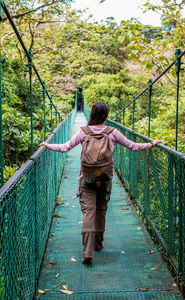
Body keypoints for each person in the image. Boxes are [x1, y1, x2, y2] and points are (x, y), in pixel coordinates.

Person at [40, 101, 161, 264]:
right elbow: (132, 146)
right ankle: (98, 244)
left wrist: (48, 145)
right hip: (104, 179)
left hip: (87, 178)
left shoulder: (83, 132)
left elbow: (66, 147)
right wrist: (150, 144)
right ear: (106, 115)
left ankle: (87, 252)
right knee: (101, 210)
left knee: (88, 213)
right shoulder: (113, 132)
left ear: (92, 115)